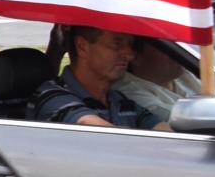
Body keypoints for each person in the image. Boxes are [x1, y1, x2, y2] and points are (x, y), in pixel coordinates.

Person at [31, 26, 169, 130]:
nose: (130, 55)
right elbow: (105, 137)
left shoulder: (120, 101)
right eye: (117, 44)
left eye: (130, 45)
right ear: (82, 47)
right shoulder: (52, 97)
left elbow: (166, 133)